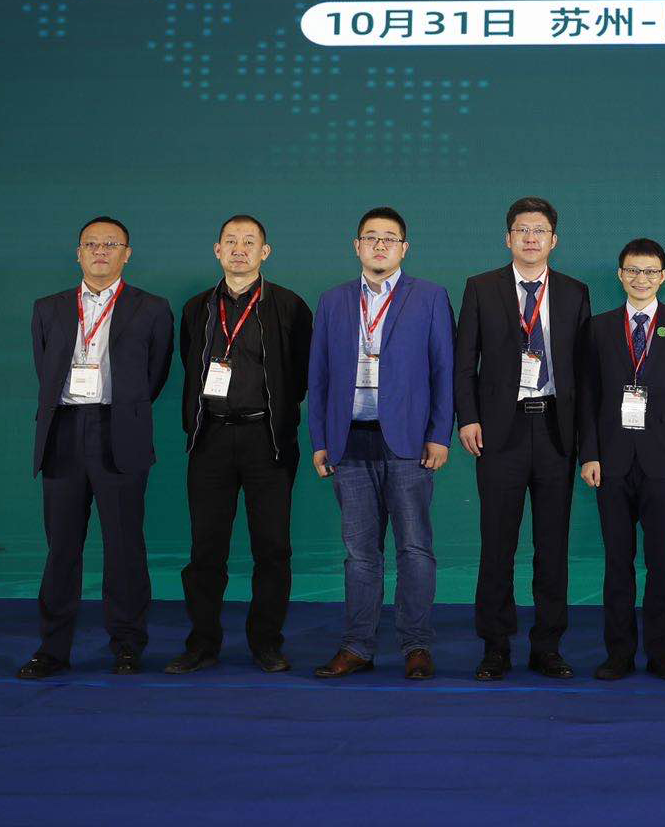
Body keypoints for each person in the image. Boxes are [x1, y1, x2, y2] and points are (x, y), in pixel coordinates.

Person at [19, 216, 173, 680]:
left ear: (127, 253)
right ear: (78, 253)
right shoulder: (48, 308)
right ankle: (52, 648)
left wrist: (121, 410)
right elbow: (45, 370)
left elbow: (155, 374)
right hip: (63, 432)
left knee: (124, 547)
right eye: (91, 244)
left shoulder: (151, 308)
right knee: (61, 548)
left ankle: (127, 645)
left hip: (119, 431)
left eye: (110, 244)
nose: (100, 251)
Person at [308, 208, 454, 681]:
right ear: (357, 246)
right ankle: (357, 646)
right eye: (370, 237)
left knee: (414, 549)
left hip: (409, 443)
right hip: (348, 441)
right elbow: (319, 375)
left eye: (389, 238)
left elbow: (444, 371)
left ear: (404, 249)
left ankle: (416, 646)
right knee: (359, 553)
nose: (379, 245)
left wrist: (439, 434)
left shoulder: (430, 297)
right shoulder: (333, 301)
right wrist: (320, 439)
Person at [167, 215, 312, 675]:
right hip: (209, 436)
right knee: (206, 550)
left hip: (266, 439)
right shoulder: (197, 308)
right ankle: (202, 643)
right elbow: (188, 361)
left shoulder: (289, 306)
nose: (239, 249)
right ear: (217, 250)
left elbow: (302, 374)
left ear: (265, 252)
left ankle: (266, 643)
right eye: (231, 241)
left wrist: (277, 416)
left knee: (272, 549)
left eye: (250, 242)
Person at [455, 196, 591, 680]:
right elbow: (464, 361)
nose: (531, 238)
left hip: (556, 430)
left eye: (540, 231)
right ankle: (495, 647)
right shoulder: (481, 287)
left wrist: (586, 439)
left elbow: (585, 372)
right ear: (507, 238)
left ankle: (547, 646)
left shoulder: (574, 292)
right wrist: (468, 418)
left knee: (552, 547)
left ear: (554, 240)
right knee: (497, 545)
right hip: (499, 431)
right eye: (522, 230)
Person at [578, 238, 665, 682]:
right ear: (620, 275)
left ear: (663, 277)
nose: (641, 278)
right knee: (617, 562)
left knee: (661, 562)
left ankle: (663, 653)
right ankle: (618, 653)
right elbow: (587, 396)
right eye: (633, 270)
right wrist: (589, 454)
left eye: (650, 271)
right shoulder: (598, 327)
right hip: (611, 460)